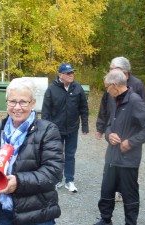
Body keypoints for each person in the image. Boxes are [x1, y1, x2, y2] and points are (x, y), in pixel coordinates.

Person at [0, 77, 64, 225]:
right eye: (12, 101)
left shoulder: (48, 130)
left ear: (33, 103)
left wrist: (18, 182)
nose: (17, 107)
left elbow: (53, 172)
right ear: (7, 103)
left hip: (37, 213)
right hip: (4, 211)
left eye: (23, 102)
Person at [94, 69, 145, 225]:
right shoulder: (114, 99)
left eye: (106, 87)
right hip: (112, 157)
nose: (106, 90)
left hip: (128, 160)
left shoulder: (134, 101)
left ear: (114, 86)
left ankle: (130, 223)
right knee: (106, 190)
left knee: (130, 195)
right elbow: (110, 124)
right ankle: (105, 220)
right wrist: (108, 134)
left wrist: (131, 142)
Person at [95, 56, 145, 202]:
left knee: (128, 176)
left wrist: (133, 139)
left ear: (123, 72)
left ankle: (125, 194)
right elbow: (105, 106)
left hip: (130, 139)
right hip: (113, 135)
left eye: (112, 69)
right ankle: (110, 203)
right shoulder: (110, 86)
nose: (109, 71)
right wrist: (102, 128)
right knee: (110, 173)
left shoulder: (137, 86)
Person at [41, 63, 89, 193]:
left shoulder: (77, 88)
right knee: (56, 155)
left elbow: (83, 108)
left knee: (70, 155)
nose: (71, 75)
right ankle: (57, 180)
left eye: (72, 72)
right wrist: (45, 129)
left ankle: (69, 181)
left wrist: (85, 125)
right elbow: (46, 111)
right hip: (56, 130)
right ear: (60, 75)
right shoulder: (51, 89)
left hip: (72, 128)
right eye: (68, 73)